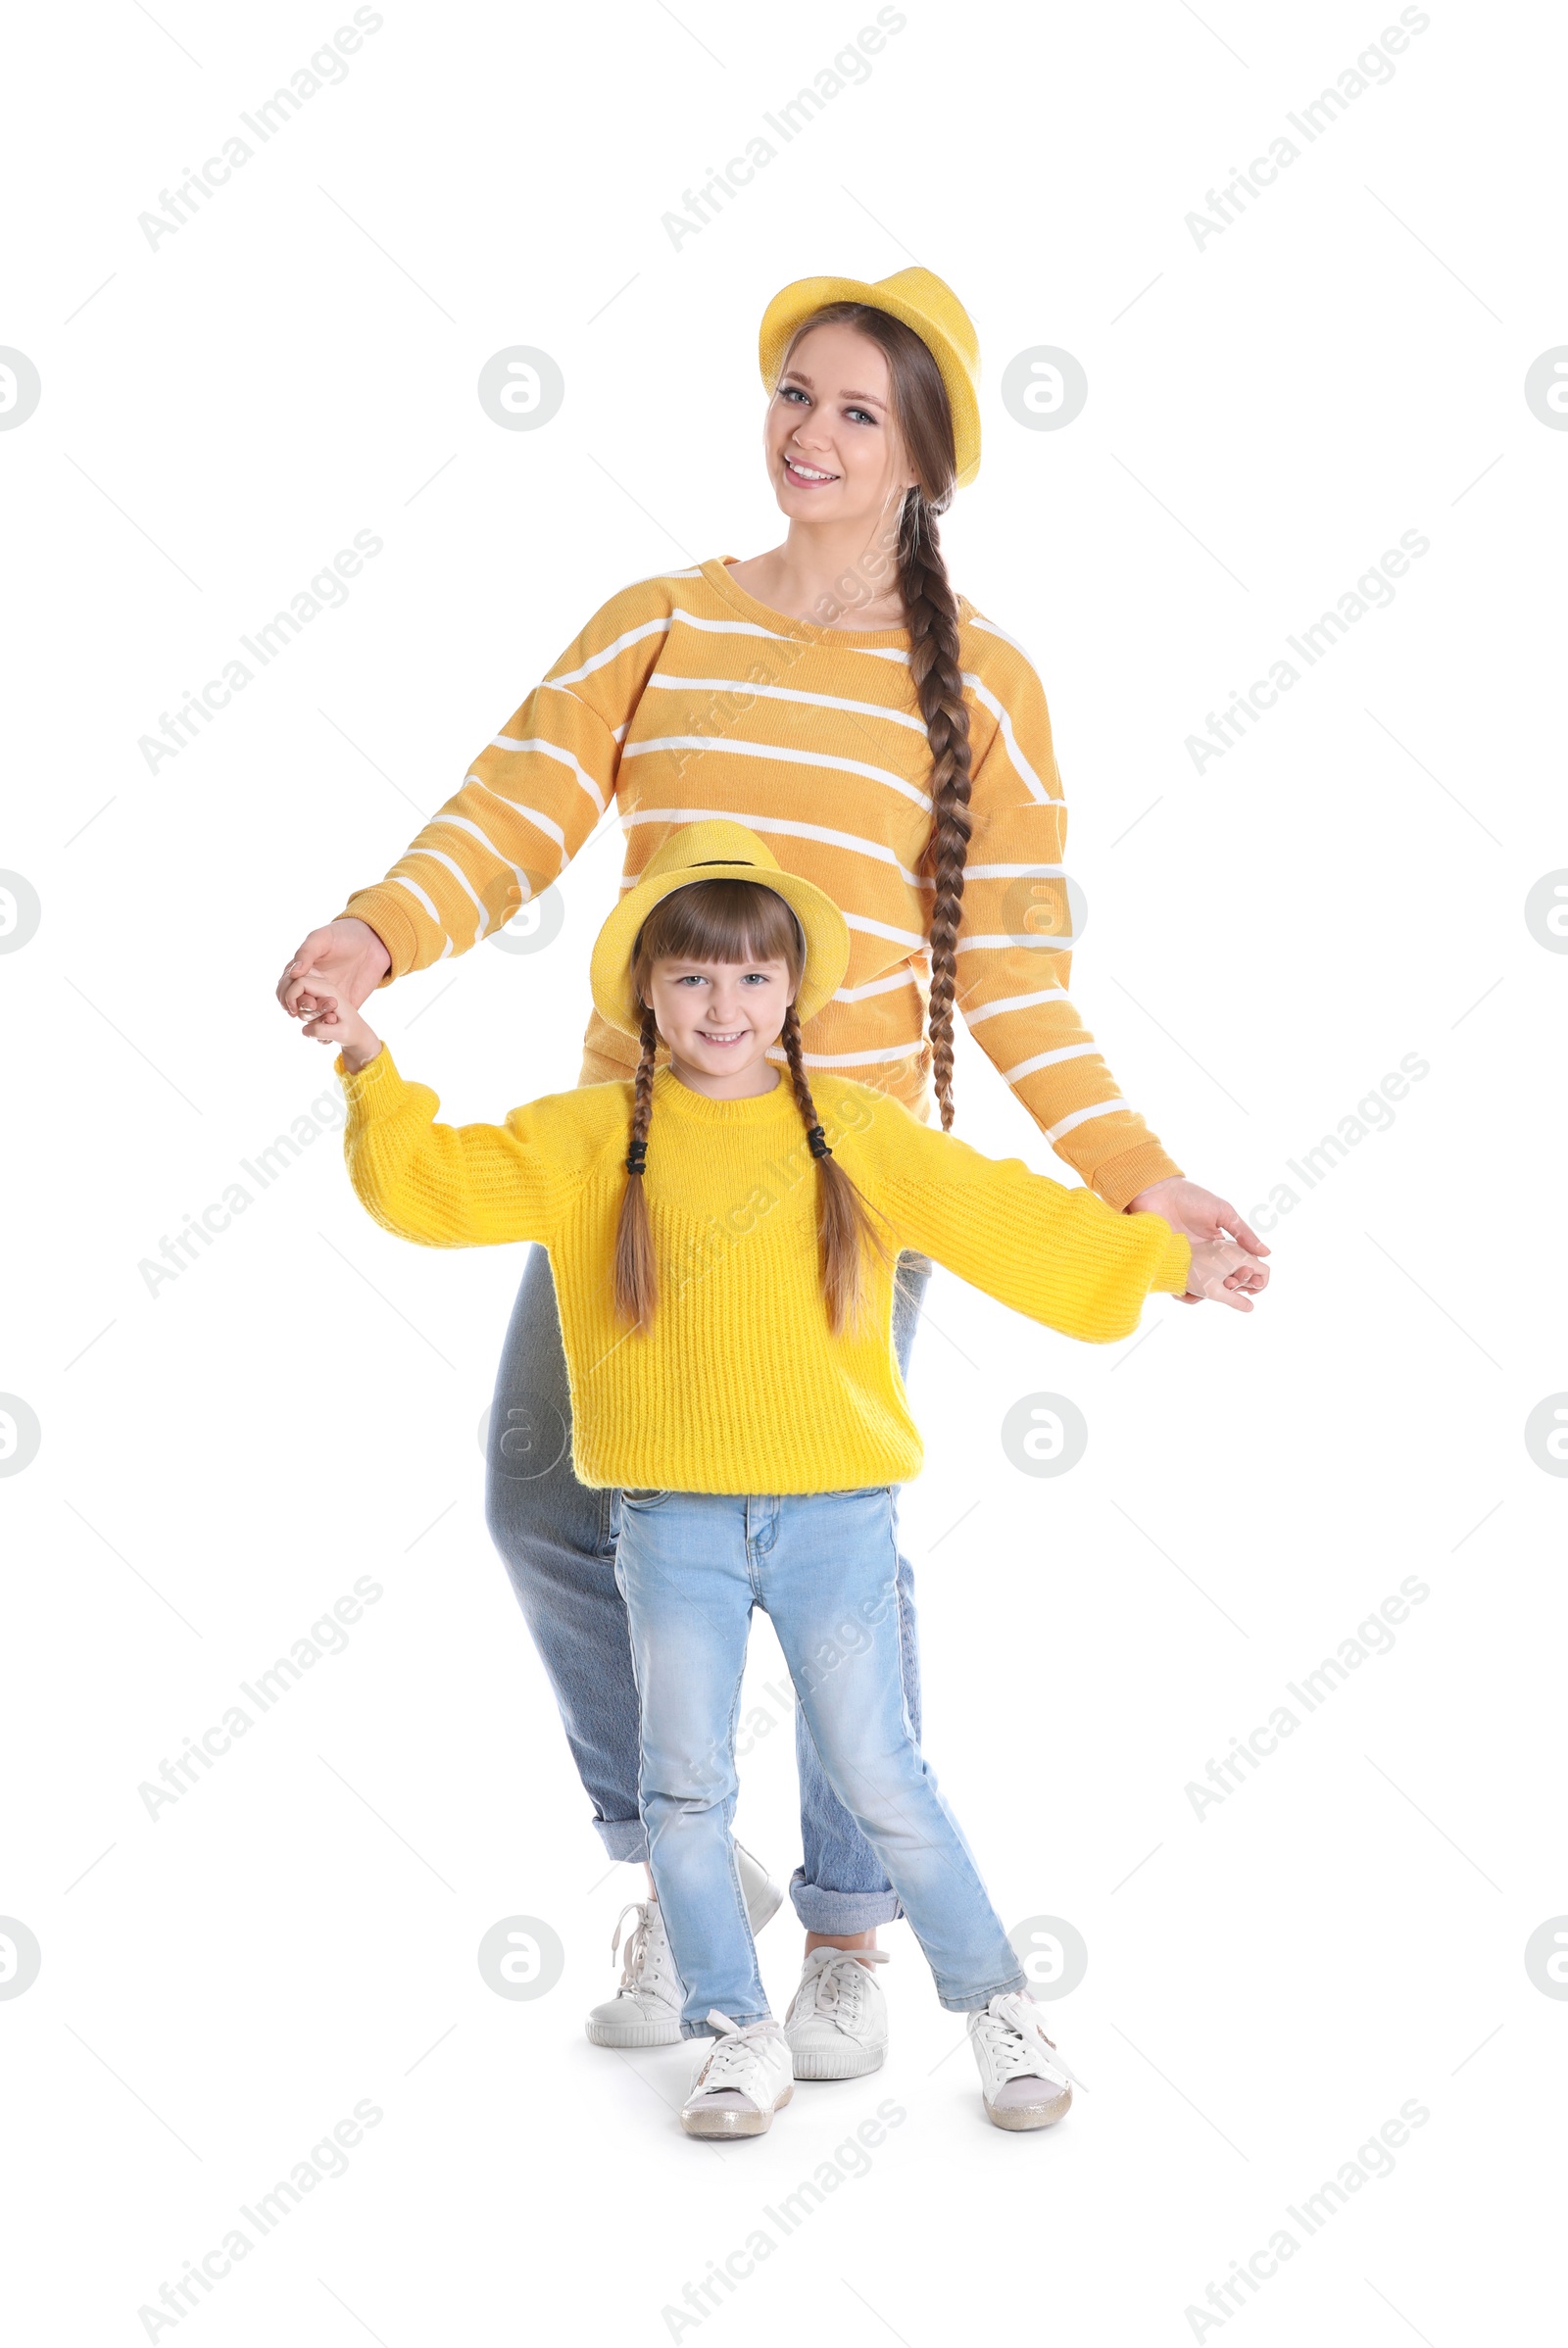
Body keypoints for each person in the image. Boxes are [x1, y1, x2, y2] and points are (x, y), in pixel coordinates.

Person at [278, 266, 1270, 2074]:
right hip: (636, 1167)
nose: (809, 435)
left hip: (843, 1187)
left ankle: (842, 1927)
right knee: (543, 1496)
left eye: (856, 412)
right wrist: (374, 933)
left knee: (831, 1563)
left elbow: (1020, 980)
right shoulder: (657, 621)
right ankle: (677, 1867)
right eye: (793, 395)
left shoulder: (990, 691)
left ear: (925, 458)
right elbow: (511, 810)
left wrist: (1141, 1178)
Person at [318, 820, 1259, 2135]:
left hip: (834, 1522)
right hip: (668, 1526)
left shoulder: (857, 1135)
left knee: (882, 1775)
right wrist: (369, 1059)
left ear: (794, 993)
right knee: (684, 1790)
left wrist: (1169, 1265)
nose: (724, 1006)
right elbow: (430, 1187)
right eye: (694, 978)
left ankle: (996, 2006)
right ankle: (730, 2027)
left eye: (755, 978)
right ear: (645, 989)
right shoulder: (593, 1138)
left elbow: (1009, 1219)